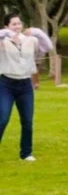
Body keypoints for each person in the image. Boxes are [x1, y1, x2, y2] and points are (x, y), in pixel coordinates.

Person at [0, 13, 53, 161]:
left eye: (19, 23)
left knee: (27, 121)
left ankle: (26, 153)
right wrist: (7, 34)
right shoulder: (3, 41)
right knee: (3, 119)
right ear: (6, 26)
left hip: (25, 85)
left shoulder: (31, 40)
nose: (17, 27)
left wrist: (37, 31)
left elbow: (47, 46)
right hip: (6, 84)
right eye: (13, 24)